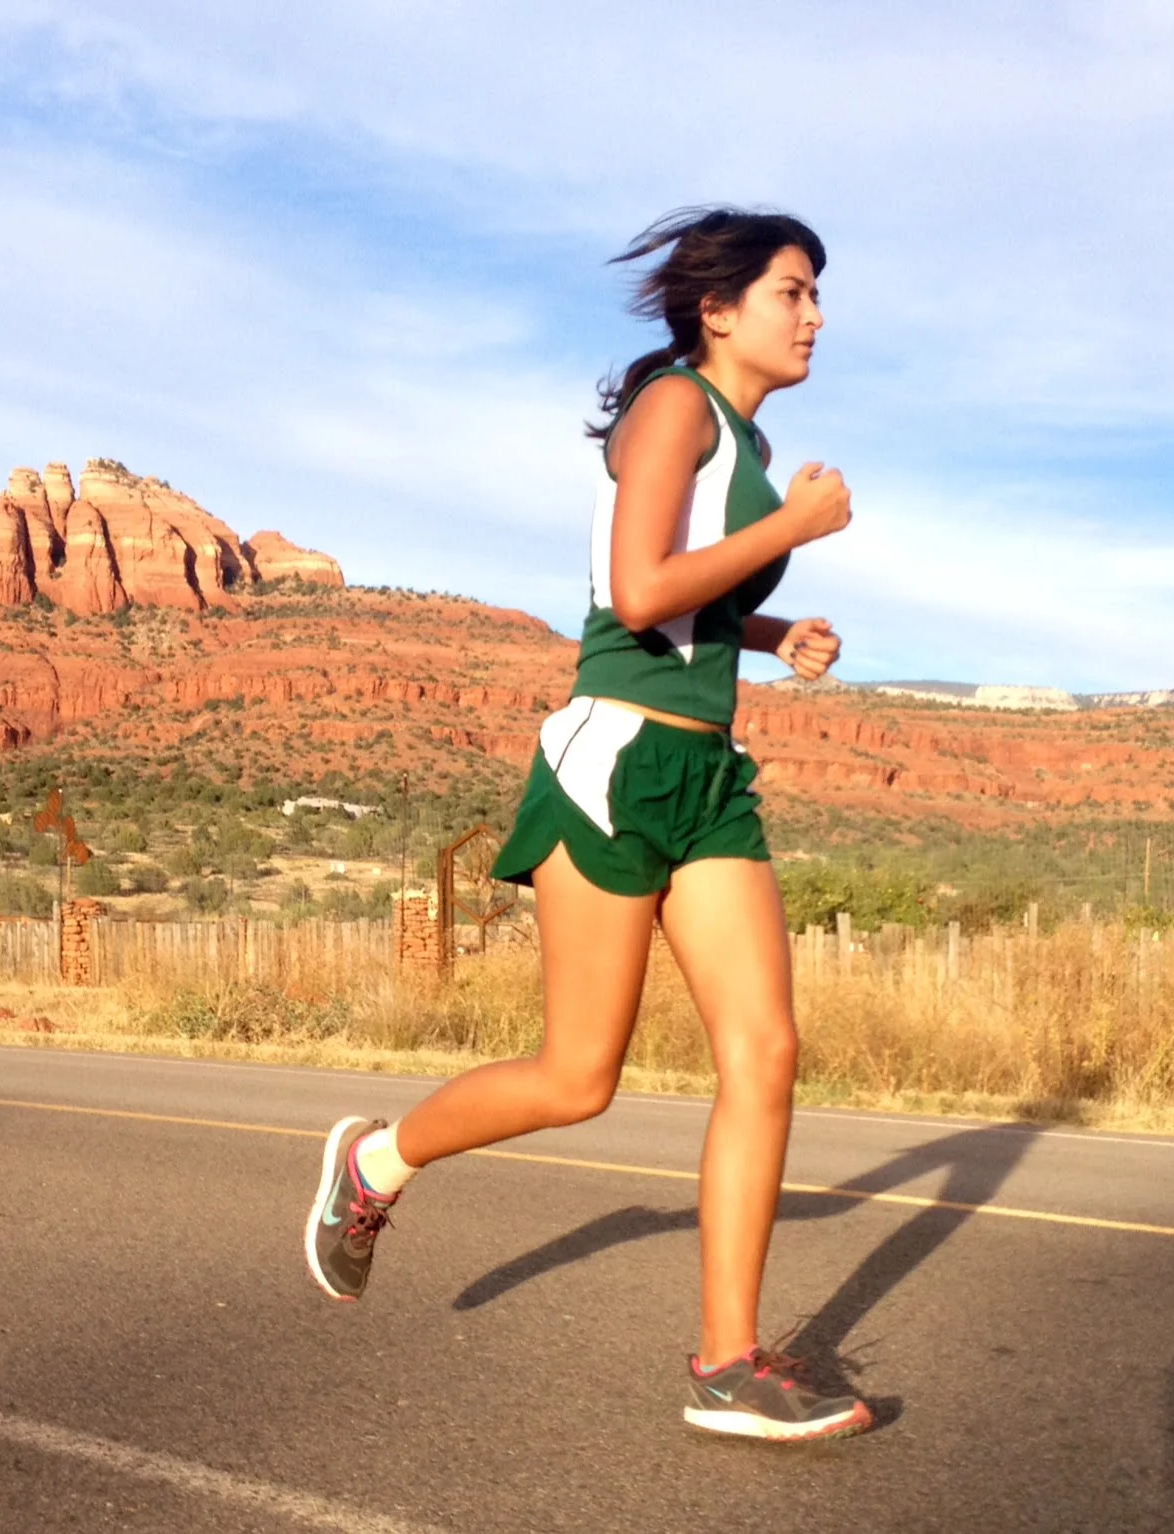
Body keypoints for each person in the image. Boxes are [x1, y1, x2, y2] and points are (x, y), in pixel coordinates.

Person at [305, 207, 865, 1442]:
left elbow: (685, 602)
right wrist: (791, 531)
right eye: (792, 290)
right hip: (615, 765)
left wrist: (774, 634)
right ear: (718, 310)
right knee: (577, 1080)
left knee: (762, 1052)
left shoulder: (745, 438)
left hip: (706, 774)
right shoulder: (675, 406)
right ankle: (373, 1166)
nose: (815, 313)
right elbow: (632, 593)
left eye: (816, 293)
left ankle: (727, 1362)